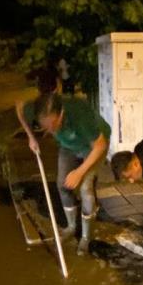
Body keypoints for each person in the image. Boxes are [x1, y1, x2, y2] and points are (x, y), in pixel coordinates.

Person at [15, 92, 111, 254]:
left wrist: (79, 172)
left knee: (85, 189)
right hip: (68, 146)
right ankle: (71, 226)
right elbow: (19, 108)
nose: (50, 130)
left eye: (53, 125)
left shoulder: (80, 114)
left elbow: (99, 146)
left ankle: (86, 237)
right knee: (62, 185)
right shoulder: (37, 110)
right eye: (45, 126)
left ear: (62, 114)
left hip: (93, 146)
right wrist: (31, 137)